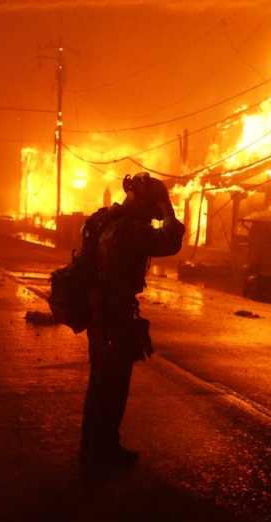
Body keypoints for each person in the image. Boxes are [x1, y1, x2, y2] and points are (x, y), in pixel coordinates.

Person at [80, 172, 185, 469]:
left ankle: (94, 450)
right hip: (114, 316)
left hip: (97, 313)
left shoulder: (101, 219)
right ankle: (103, 455)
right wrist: (167, 211)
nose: (152, 216)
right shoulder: (129, 231)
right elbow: (170, 239)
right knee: (112, 385)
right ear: (144, 203)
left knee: (100, 383)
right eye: (152, 208)